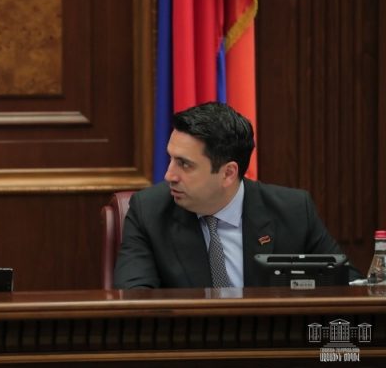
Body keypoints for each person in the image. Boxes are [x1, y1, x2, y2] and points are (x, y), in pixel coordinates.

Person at [113, 102, 362, 289]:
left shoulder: (293, 211)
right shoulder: (149, 212)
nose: (169, 175)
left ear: (228, 173)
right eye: (171, 159)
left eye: (184, 164)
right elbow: (135, 300)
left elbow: (348, 285)